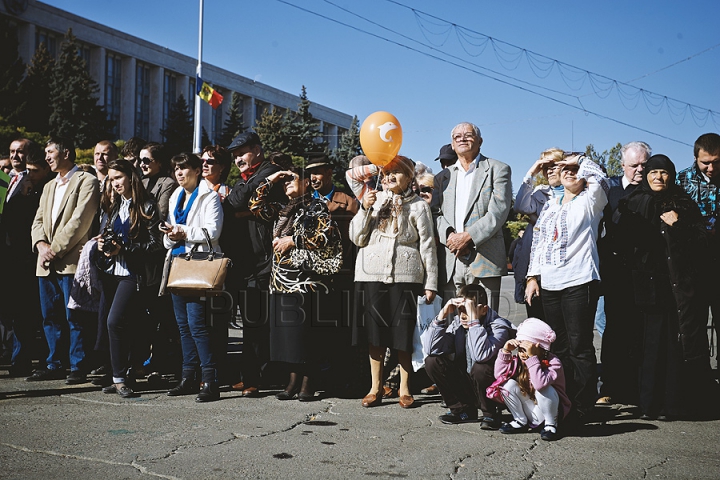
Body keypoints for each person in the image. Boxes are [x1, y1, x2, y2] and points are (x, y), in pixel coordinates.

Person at [615, 154, 712, 419]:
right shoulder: (632, 202)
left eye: (664, 173)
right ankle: (647, 405)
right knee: (644, 346)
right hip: (640, 288)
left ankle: (671, 405)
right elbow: (620, 241)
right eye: (653, 172)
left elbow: (701, 241)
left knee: (671, 347)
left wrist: (678, 224)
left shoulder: (683, 204)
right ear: (646, 176)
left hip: (673, 287)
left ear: (671, 176)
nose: (659, 177)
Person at [525, 153, 608, 422]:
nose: (569, 173)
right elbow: (539, 244)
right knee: (557, 347)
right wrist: (532, 277)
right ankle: (564, 400)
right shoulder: (550, 204)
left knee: (579, 345)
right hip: (550, 283)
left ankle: (584, 405)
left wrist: (578, 160)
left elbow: (600, 177)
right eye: (564, 170)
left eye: (574, 170)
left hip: (579, 280)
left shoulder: (590, 201)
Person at [351, 155, 438, 409]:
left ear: (410, 177)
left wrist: (430, 282)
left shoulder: (419, 206)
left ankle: (404, 388)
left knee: (403, 335)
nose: (389, 177)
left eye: (396, 172)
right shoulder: (373, 199)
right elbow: (357, 237)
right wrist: (365, 208)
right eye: (386, 173)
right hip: (371, 276)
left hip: (406, 278)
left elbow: (428, 245)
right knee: (375, 335)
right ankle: (375, 388)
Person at [249, 166, 341, 401]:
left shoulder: (316, 205)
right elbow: (255, 206)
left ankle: (309, 382)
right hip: (281, 281)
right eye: (285, 181)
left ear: (307, 183)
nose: (287, 183)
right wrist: (272, 179)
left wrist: (294, 240)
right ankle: (292, 381)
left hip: (307, 282)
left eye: (293, 179)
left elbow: (324, 236)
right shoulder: (281, 209)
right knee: (288, 338)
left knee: (306, 336)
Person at [28, 137, 100, 384]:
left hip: (70, 261)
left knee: (75, 317)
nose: (46, 157)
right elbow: (37, 221)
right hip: (45, 263)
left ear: (66, 152)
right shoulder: (49, 186)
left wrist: (53, 249)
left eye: (51, 152)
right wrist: (40, 245)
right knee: (50, 316)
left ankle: (78, 365)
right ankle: (54, 363)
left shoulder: (87, 181)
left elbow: (80, 221)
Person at [96, 159, 163, 398]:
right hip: (112, 273)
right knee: (125, 326)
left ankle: (119, 378)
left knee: (114, 322)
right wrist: (105, 244)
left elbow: (156, 245)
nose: (114, 183)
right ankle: (124, 376)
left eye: (118, 178)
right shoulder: (116, 206)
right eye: (111, 179)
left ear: (130, 176)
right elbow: (110, 235)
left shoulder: (146, 204)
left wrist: (123, 249)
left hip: (134, 275)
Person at [224, 132, 284, 397]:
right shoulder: (250, 178)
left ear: (257, 150)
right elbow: (233, 205)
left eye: (242, 153)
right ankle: (249, 374)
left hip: (265, 259)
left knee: (258, 322)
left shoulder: (271, 171)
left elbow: (237, 201)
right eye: (235, 156)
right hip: (245, 258)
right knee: (250, 321)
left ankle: (257, 378)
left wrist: (242, 206)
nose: (238, 159)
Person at [163, 153, 224, 402]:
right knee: (183, 326)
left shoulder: (209, 196)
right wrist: (169, 234)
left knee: (197, 325)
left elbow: (213, 231)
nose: (179, 173)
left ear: (197, 170)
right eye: (176, 168)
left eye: (184, 168)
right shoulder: (175, 196)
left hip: (198, 265)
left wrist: (182, 231)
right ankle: (188, 376)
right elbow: (169, 233)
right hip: (177, 264)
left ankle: (210, 380)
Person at [432, 122, 512, 312]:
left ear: (480, 141)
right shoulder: (442, 177)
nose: (462, 139)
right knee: (452, 323)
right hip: (452, 259)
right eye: (457, 137)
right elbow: (435, 213)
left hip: (485, 257)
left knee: (486, 320)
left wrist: (467, 237)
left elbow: (498, 211)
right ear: (452, 144)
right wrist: (451, 236)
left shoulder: (498, 169)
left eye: (468, 135)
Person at [597, 141, 651, 405]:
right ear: (623, 166)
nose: (640, 170)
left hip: (646, 271)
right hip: (616, 271)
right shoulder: (610, 191)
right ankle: (610, 386)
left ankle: (641, 388)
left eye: (644, 164)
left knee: (642, 330)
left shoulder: (656, 191)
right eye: (634, 165)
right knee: (615, 328)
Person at [425, 285, 514, 427]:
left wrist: (474, 322)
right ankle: (462, 410)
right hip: (468, 383)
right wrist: (442, 315)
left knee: (480, 368)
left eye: (468, 310)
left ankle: (490, 414)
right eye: (461, 310)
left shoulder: (498, 326)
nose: (464, 315)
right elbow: (431, 349)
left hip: (493, 390)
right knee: (432, 361)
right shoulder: (458, 324)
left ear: (484, 310)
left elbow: (481, 356)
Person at [1, 140, 48, 376]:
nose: (15, 155)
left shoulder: (36, 182)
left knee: (23, 310)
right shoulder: (6, 179)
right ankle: (11, 355)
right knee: (9, 309)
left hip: (23, 255)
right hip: (5, 255)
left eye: (20, 151)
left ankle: (22, 359)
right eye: (12, 152)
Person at [677, 133, 720, 359]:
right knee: (694, 328)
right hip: (692, 268)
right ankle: (699, 386)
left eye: (716, 162)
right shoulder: (681, 180)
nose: (711, 168)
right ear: (695, 158)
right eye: (705, 162)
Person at [495, 318, 571, 441]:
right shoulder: (519, 360)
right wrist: (506, 351)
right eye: (520, 349)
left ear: (539, 347)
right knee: (506, 385)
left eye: (526, 349)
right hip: (532, 410)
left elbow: (539, 384)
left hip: (551, 411)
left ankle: (551, 425)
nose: (522, 354)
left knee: (545, 389)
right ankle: (520, 420)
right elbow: (499, 376)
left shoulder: (554, 363)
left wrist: (532, 358)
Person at [513, 148, 565, 319]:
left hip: (566, 266)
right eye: (545, 167)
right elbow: (520, 206)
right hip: (537, 266)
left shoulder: (579, 193)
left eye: (554, 165)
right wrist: (532, 172)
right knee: (538, 321)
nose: (549, 170)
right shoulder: (539, 193)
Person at [140, 142, 177, 221]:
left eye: (146, 161)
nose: (141, 165)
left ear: (159, 162)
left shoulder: (168, 183)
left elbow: (161, 214)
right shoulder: (142, 182)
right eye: (141, 160)